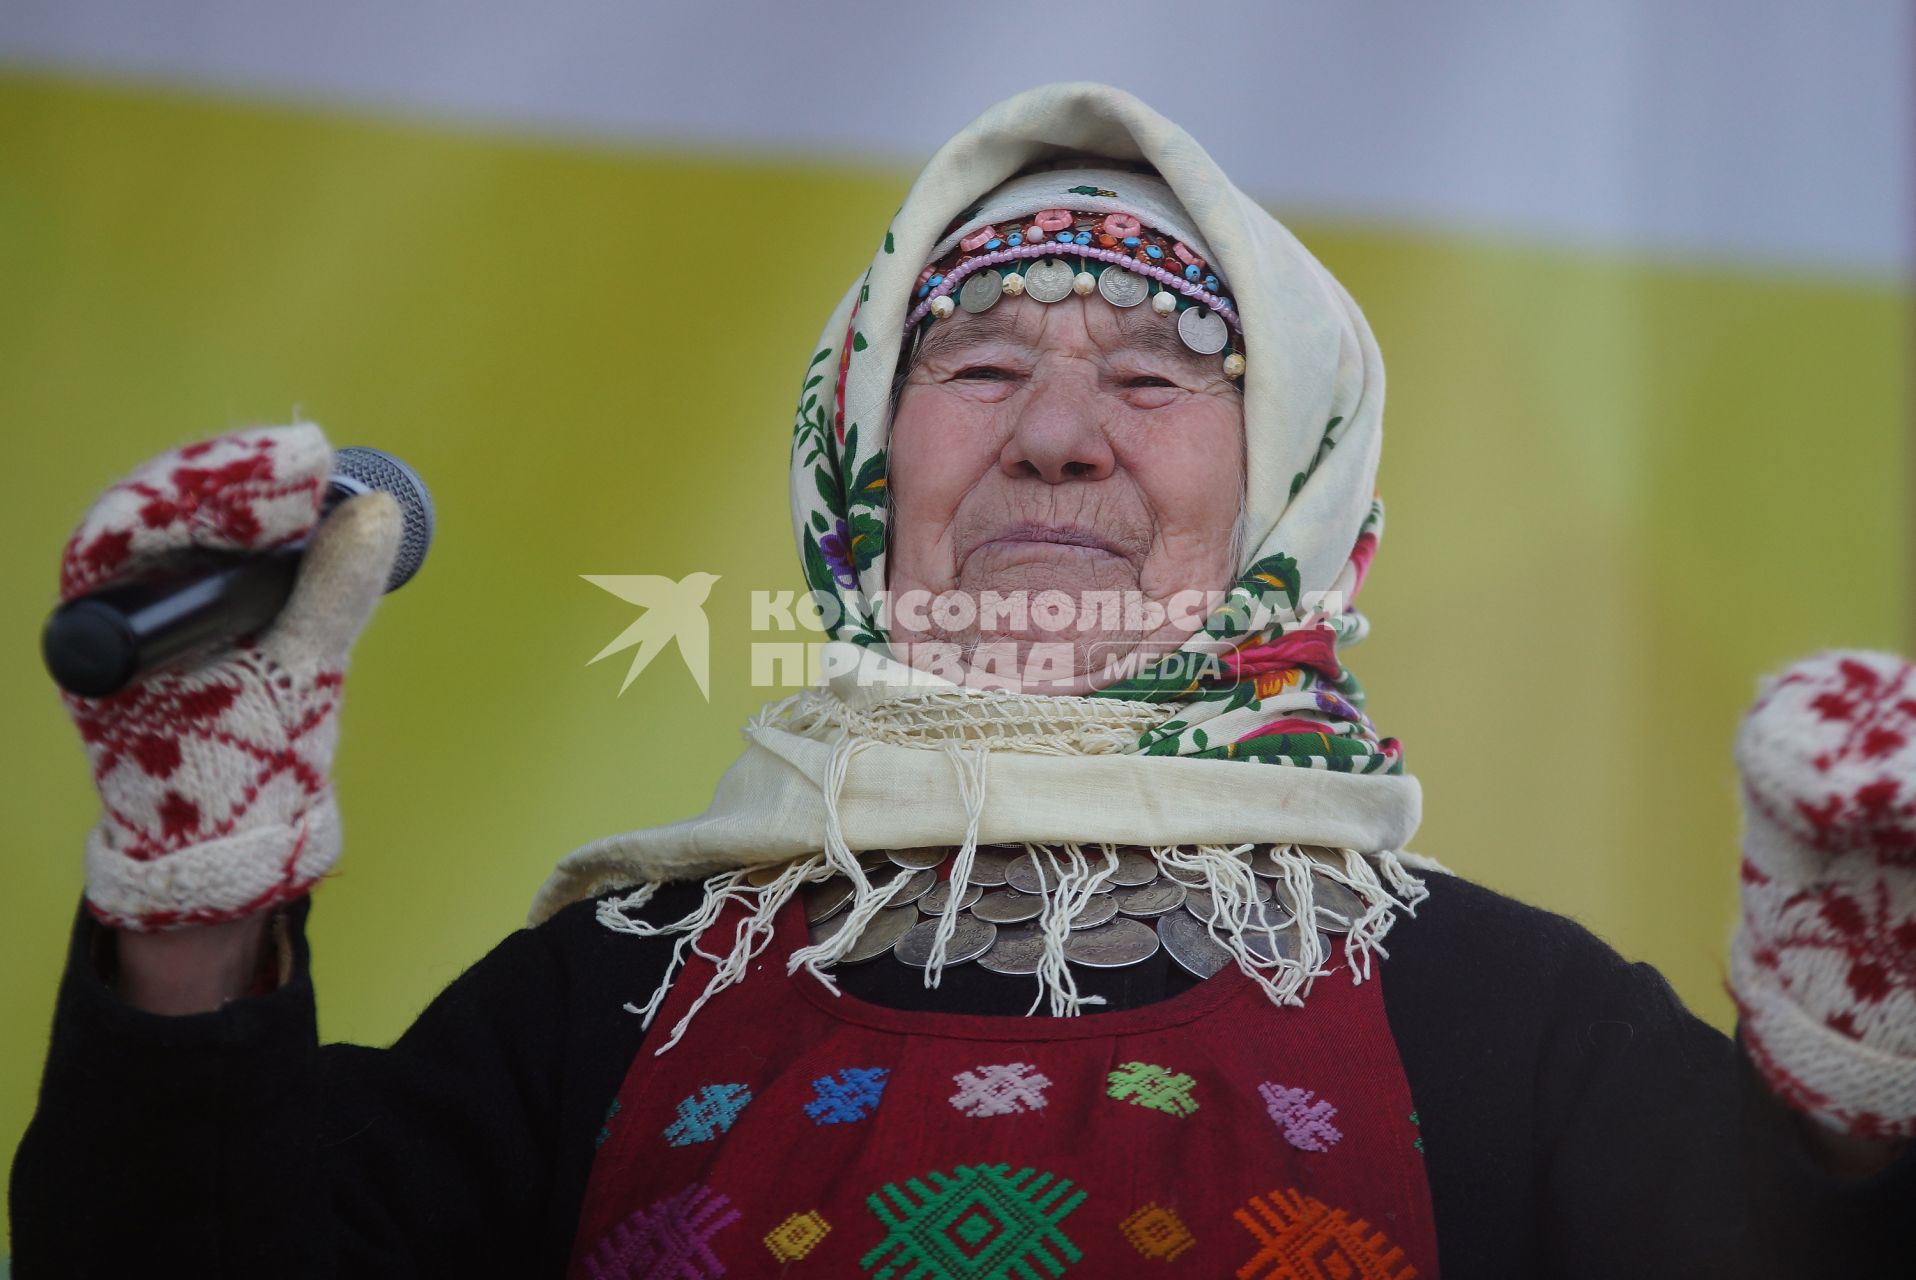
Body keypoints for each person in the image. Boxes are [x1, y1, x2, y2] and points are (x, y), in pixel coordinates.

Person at [9, 81, 1913, 1278]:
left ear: (1303, 499)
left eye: (1163, 378)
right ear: (859, 466)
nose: (1062, 437)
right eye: (982, 366)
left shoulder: (1519, 1035)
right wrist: (199, 902)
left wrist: (1850, 1111)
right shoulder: (595, 1007)